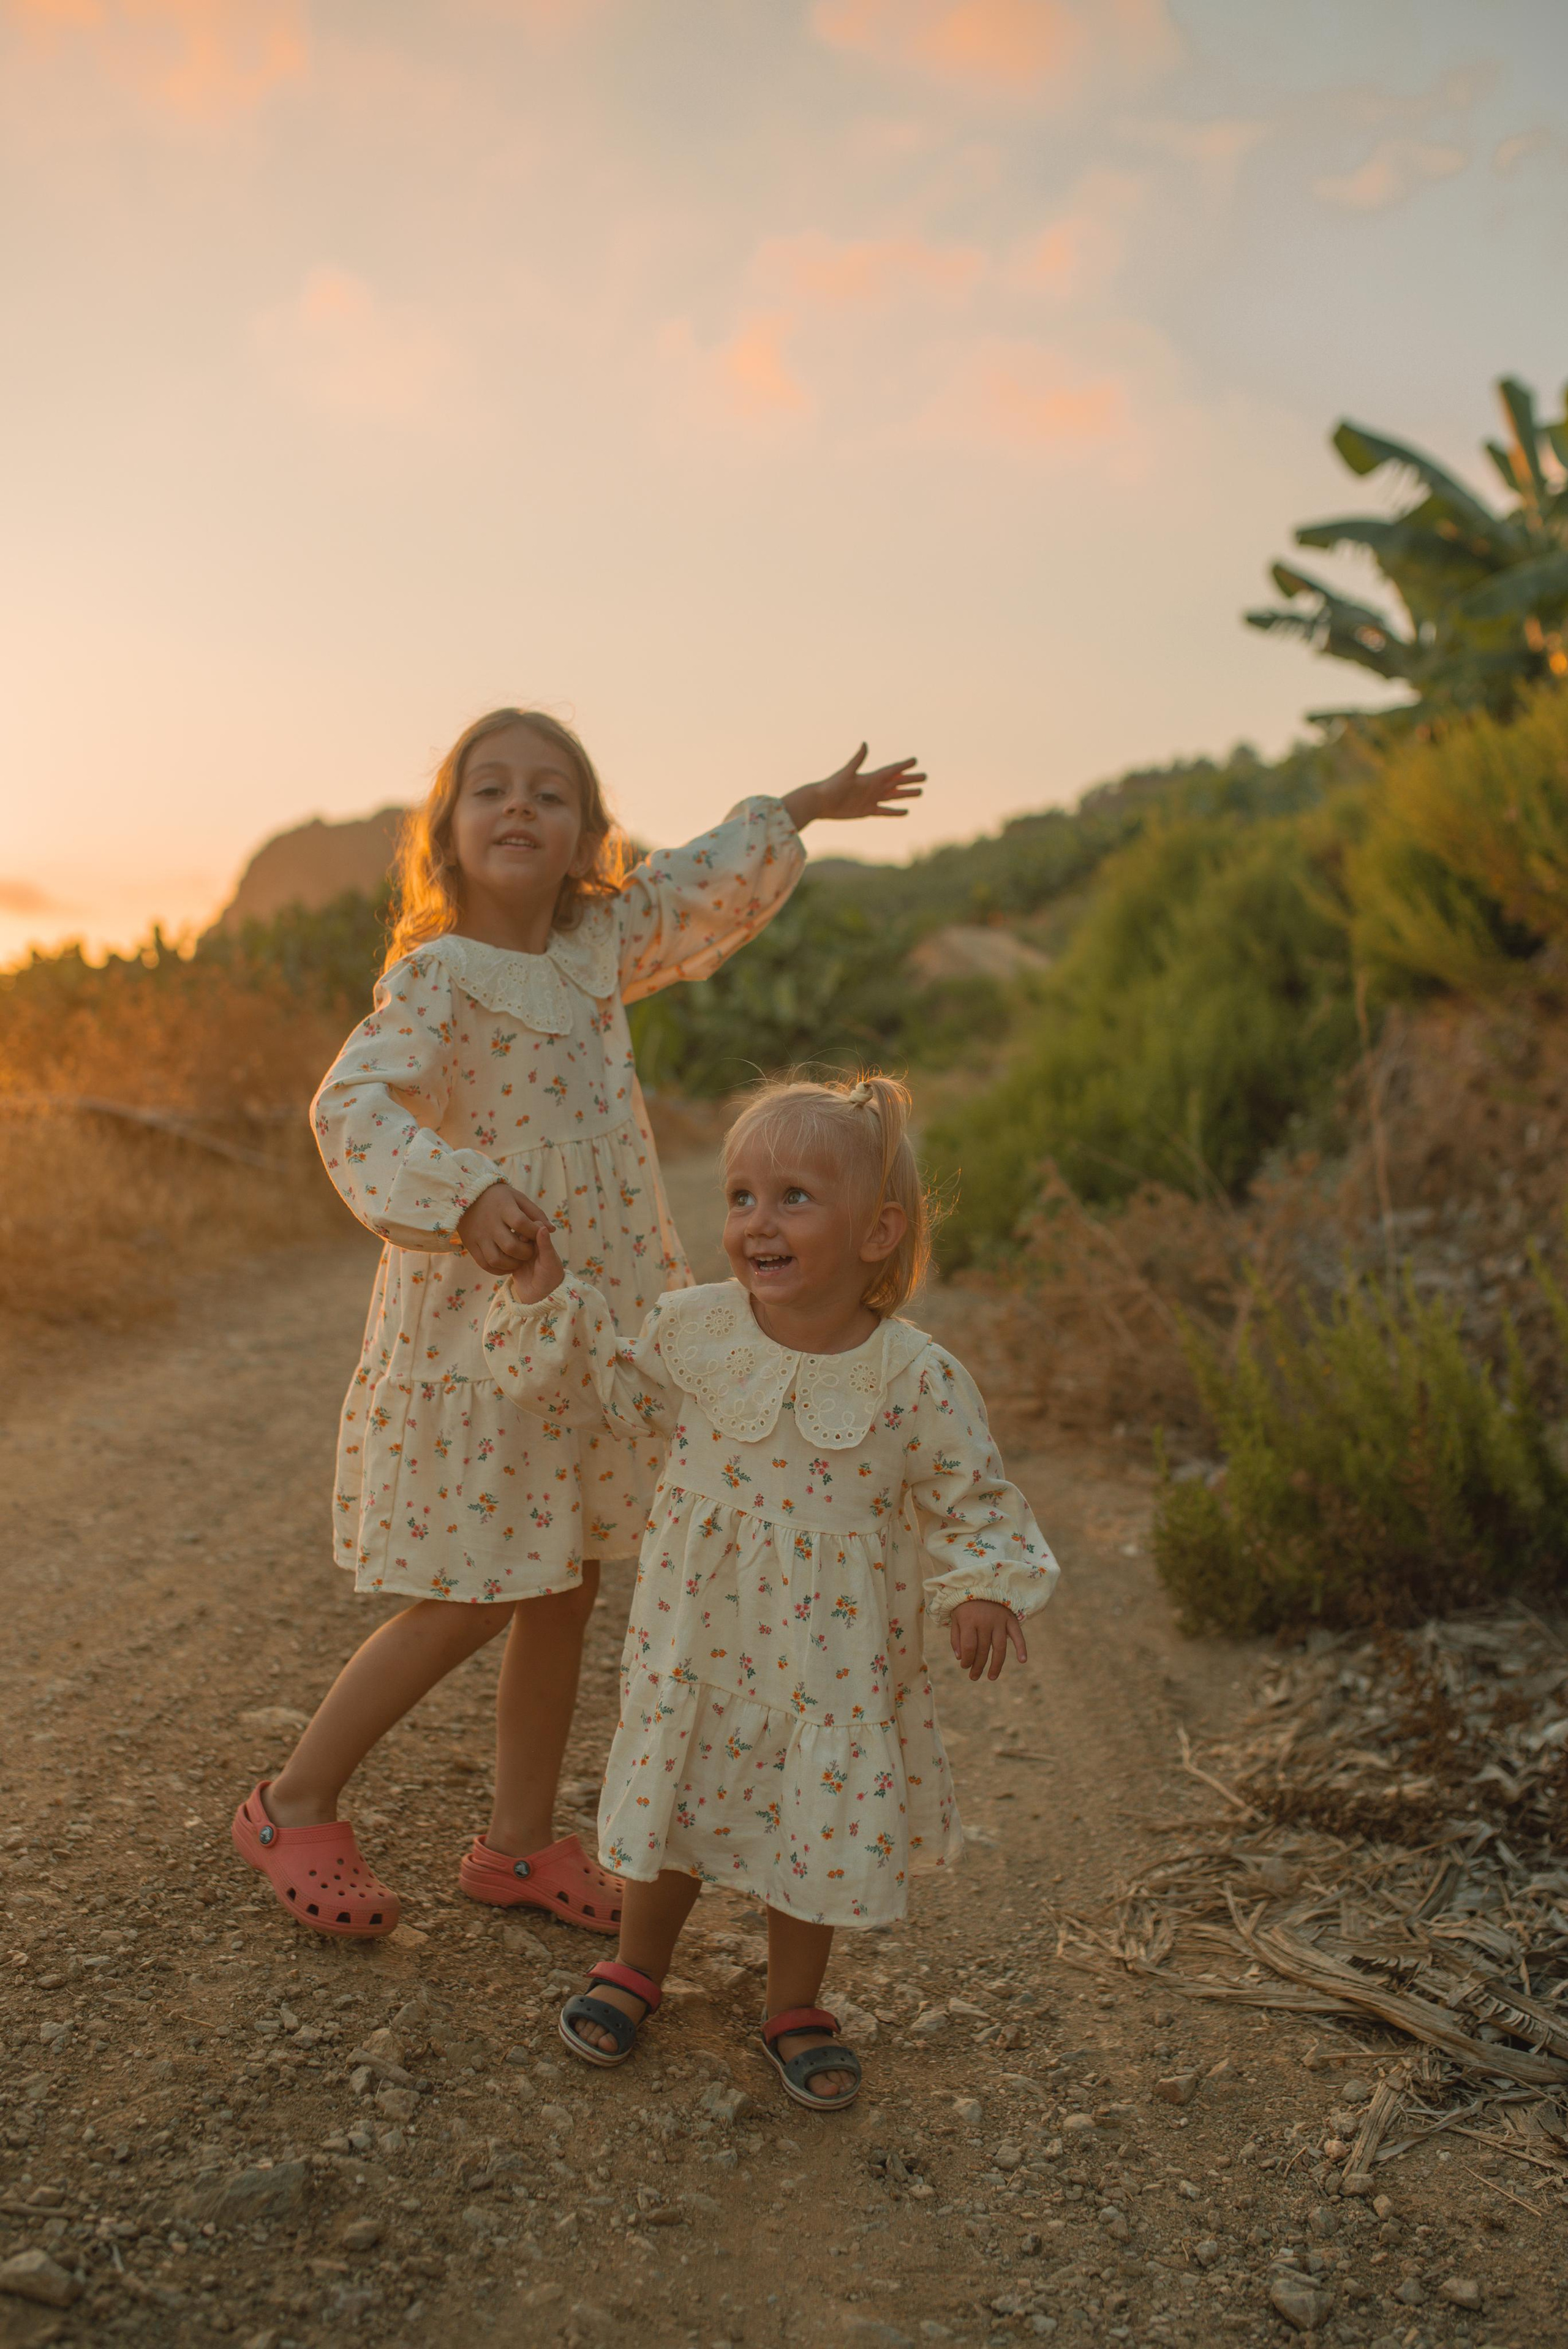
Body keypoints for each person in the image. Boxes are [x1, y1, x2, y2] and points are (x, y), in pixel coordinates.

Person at [232, 708, 924, 1942]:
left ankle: (515, 1844)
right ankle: (294, 1799)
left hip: (597, 1325)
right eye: (489, 788)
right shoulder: (433, 979)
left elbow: (691, 887)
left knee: (566, 1581)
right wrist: (464, 1194)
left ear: (584, 840)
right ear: (444, 833)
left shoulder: (601, 942)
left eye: (550, 795)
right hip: (485, 1328)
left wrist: (798, 810)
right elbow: (352, 1108)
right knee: (475, 1591)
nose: (518, 808)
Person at [481, 1072, 1058, 2108]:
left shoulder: (912, 1375)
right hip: (703, 1630)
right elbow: (610, 1396)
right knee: (682, 1783)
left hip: (833, 1658)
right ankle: (637, 1964)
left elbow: (969, 1487)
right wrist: (546, 1302)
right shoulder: (696, 1329)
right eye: (743, 1196)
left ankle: (794, 2000)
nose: (758, 1222)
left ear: (880, 1232)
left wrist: (981, 1584)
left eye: (795, 1197)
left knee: (816, 1810)